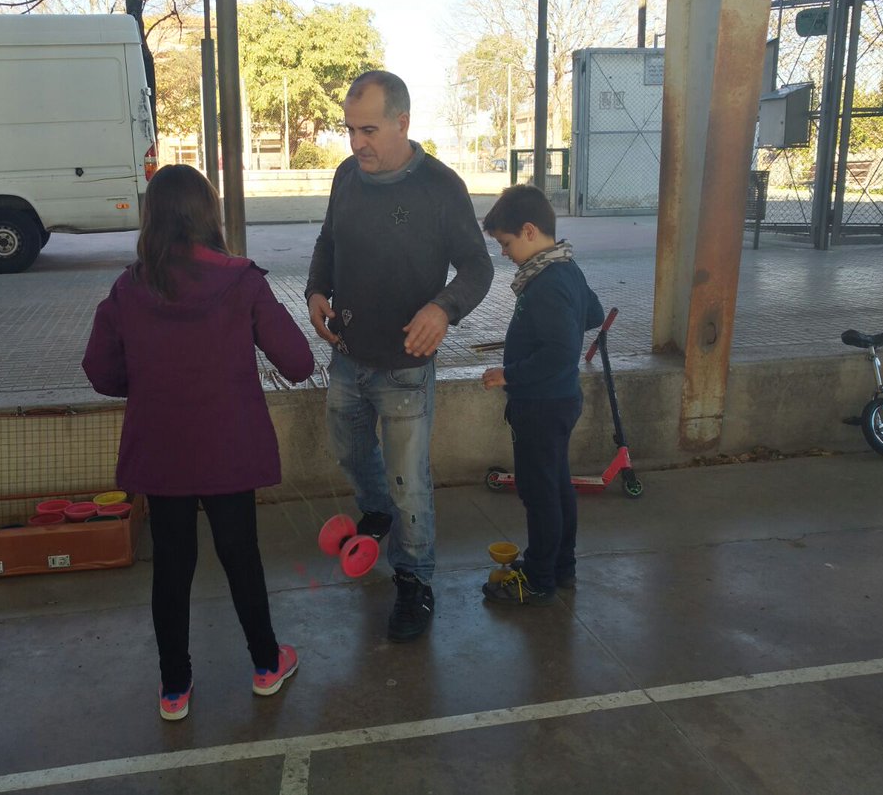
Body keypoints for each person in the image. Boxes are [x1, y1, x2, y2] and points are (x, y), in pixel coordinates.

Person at [82, 164, 315, 721]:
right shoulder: (242, 280)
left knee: (171, 566)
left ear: (151, 218)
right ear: (208, 214)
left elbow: (99, 370)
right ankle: (265, 665)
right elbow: (300, 362)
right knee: (242, 558)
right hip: (228, 450)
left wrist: (142, 385)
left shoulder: (129, 286)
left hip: (161, 454)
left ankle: (174, 688)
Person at [306, 70, 493, 642]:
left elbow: (478, 268)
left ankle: (414, 581)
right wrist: (316, 289)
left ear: (402, 123)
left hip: (406, 368)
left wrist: (443, 309)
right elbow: (328, 242)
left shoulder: (440, 187)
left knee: (410, 480)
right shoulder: (346, 177)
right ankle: (376, 511)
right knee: (350, 450)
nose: (355, 143)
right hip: (347, 355)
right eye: (349, 130)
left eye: (368, 129)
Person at [479, 184, 604, 606]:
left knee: (539, 494)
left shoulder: (546, 282)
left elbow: (560, 354)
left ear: (529, 231)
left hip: (541, 405)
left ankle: (538, 577)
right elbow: (594, 312)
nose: (504, 253)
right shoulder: (566, 267)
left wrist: (508, 375)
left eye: (506, 243)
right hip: (559, 402)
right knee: (556, 487)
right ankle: (560, 567)